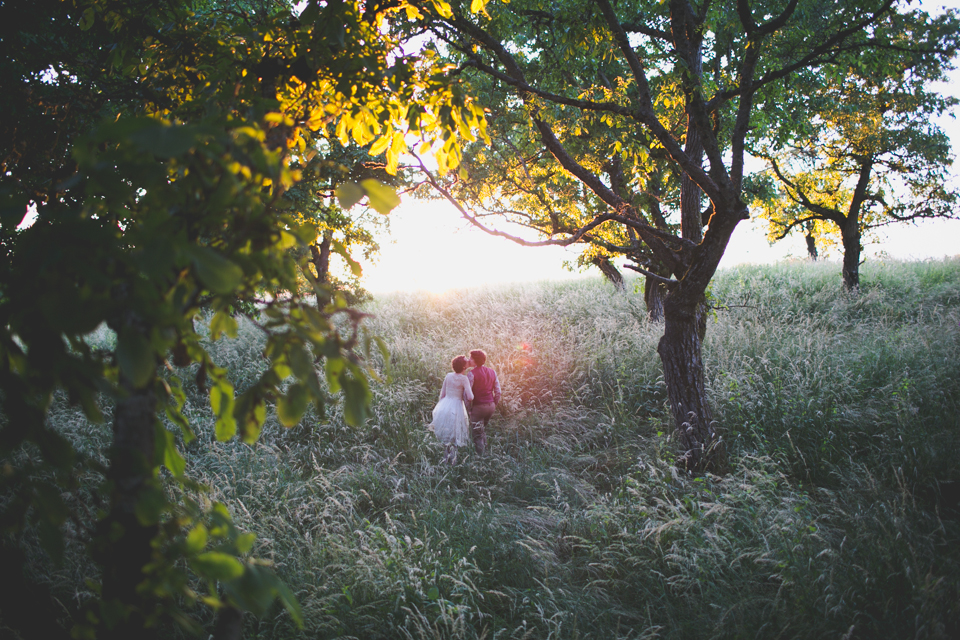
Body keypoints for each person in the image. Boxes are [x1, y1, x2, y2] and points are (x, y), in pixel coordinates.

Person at [429, 355, 474, 465]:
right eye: (466, 362)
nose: (468, 361)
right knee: (454, 435)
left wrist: (440, 408)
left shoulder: (448, 376)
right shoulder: (464, 379)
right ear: (464, 367)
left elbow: (442, 394)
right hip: (456, 407)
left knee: (446, 434)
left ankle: (445, 460)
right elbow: (470, 397)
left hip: (445, 405)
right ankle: (453, 462)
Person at [466, 349, 500, 455]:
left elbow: (467, 395)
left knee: (476, 434)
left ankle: (481, 459)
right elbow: (498, 392)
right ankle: (487, 453)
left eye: (471, 358)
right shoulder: (492, 372)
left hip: (478, 407)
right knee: (481, 430)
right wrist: (494, 404)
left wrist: (468, 410)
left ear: (475, 360)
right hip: (490, 406)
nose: (469, 360)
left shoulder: (471, 374)